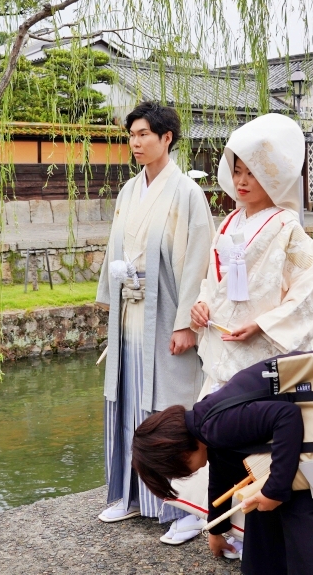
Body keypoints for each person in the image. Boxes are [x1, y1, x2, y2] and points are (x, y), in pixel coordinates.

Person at [131, 356, 313, 575]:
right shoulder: (205, 425)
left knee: (303, 521)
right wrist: (216, 528)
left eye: (176, 469)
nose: (184, 474)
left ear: (179, 449)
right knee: (259, 515)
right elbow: (221, 477)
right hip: (299, 451)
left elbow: (286, 417)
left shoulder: (217, 425)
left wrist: (274, 491)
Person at [96, 102, 214, 536]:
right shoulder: (129, 191)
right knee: (128, 401)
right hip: (131, 315)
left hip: (165, 318)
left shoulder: (187, 192)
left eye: (144, 134)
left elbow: (198, 259)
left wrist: (186, 322)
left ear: (167, 138)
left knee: (167, 408)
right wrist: (115, 288)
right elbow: (116, 250)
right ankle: (130, 497)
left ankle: (185, 511)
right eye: (132, 135)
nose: (136, 142)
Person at [190, 113, 313, 396]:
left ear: (270, 176)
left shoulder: (287, 228)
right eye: (237, 171)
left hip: (260, 350)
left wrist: (263, 326)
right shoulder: (228, 222)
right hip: (222, 343)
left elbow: (307, 290)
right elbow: (212, 281)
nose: (242, 180)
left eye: (252, 173)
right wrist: (202, 303)